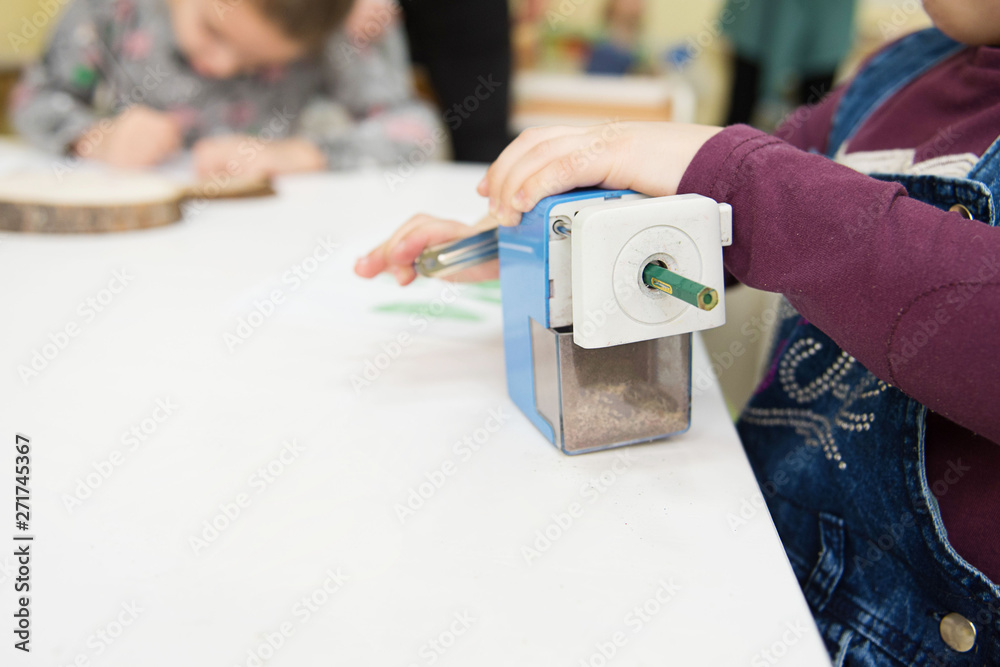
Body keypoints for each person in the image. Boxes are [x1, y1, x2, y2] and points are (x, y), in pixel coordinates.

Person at [355, 1, 1000, 663]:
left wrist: (738, 177)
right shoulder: (893, 74)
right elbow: (744, 232)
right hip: (761, 543)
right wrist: (555, 249)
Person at [9, 0, 442, 176]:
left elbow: (416, 130)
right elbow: (34, 97)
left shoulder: (336, 24)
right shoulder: (112, 9)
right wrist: (96, 138)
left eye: (261, 61)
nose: (221, 65)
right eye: (212, 32)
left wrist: (295, 154)